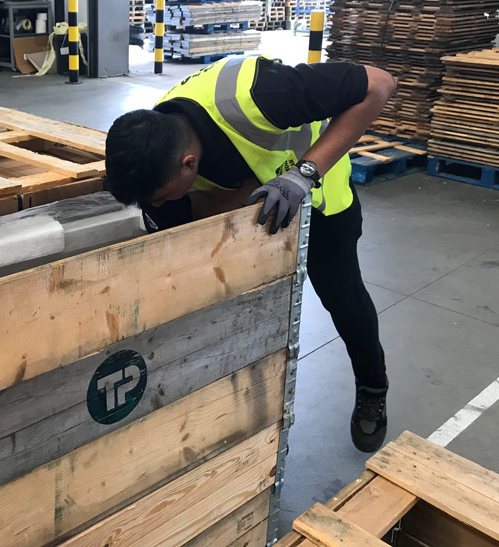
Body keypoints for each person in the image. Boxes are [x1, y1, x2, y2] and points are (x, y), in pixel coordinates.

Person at [104, 55, 397, 452]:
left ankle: (372, 389)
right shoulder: (160, 143)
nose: (157, 204)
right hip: (260, 202)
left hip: (319, 199)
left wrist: (304, 174)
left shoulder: (262, 94)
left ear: (188, 165)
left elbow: (379, 84)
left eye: (160, 195)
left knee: (344, 299)